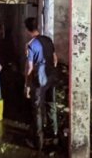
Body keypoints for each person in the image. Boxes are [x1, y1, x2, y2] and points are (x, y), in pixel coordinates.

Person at [24, 17, 58, 150]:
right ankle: (54, 134)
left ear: (27, 29)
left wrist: (27, 85)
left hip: (40, 78)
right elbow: (55, 59)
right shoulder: (48, 40)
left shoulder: (31, 45)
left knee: (38, 109)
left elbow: (30, 68)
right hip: (52, 76)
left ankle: (39, 143)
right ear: (37, 26)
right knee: (51, 105)